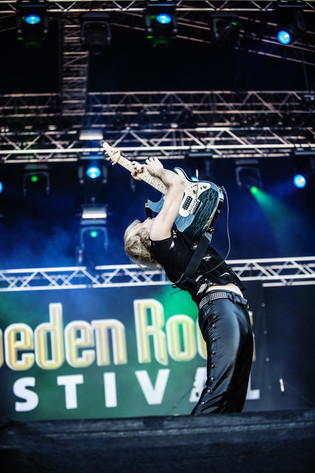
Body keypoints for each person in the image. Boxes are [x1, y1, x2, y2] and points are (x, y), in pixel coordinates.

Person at [124, 157, 253, 414]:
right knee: (220, 389)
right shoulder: (159, 236)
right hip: (220, 308)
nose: (149, 218)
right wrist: (159, 171)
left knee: (235, 394)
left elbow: (185, 197)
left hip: (232, 306)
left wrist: (150, 178)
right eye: (145, 221)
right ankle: (188, 438)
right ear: (145, 235)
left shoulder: (173, 239)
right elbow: (178, 184)